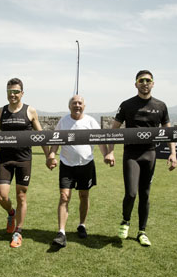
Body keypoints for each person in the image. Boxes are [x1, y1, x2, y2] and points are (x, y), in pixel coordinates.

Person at [105, 70, 177, 247]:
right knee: (131, 193)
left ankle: (142, 231)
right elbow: (114, 129)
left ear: (153, 83)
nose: (145, 83)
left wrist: (173, 153)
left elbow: (168, 132)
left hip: (150, 154)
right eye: (141, 80)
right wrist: (110, 151)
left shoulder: (161, 106)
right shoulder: (127, 105)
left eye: (148, 80)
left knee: (145, 195)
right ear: (136, 83)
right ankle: (125, 221)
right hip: (131, 154)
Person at [0, 78, 49, 248]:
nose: (12, 94)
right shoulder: (1, 111)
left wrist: (48, 156)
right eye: (9, 91)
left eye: (16, 91)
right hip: (5, 160)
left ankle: (18, 231)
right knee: (2, 196)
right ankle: (11, 213)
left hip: (24, 160)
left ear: (22, 93)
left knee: (21, 196)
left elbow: (41, 135)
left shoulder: (30, 111)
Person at [47, 95, 109, 248]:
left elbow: (99, 140)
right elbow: (56, 140)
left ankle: (82, 225)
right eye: (74, 103)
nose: (77, 105)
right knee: (64, 196)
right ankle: (61, 232)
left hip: (86, 164)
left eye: (80, 103)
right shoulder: (63, 121)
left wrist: (106, 154)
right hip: (67, 164)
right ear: (69, 106)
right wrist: (51, 155)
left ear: (84, 106)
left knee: (84, 195)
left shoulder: (90, 121)